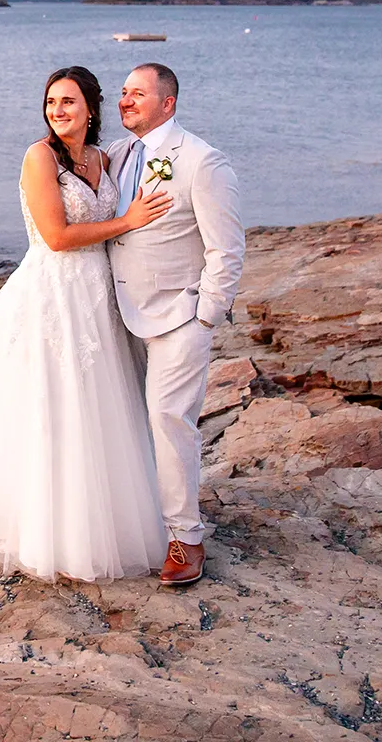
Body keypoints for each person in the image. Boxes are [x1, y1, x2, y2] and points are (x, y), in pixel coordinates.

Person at [0, 66, 173, 581]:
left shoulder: (105, 156)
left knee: (103, 409)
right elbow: (54, 235)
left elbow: (151, 158)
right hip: (54, 294)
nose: (58, 110)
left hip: (99, 296)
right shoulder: (40, 157)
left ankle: (110, 527)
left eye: (69, 102)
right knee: (57, 410)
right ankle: (54, 538)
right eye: (52, 102)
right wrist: (128, 221)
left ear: (90, 108)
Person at [104, 63, 245, 587]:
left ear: (168, 103)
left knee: (169, 419)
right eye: (122, 93)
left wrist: (205, 315)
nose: (125, 101)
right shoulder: (116, 156)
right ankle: (145, 522)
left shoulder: (203, 162)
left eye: (137, 93)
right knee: (126, 421)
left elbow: (226, 248)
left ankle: (187, 539)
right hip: (118, 315)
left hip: (178, 316)